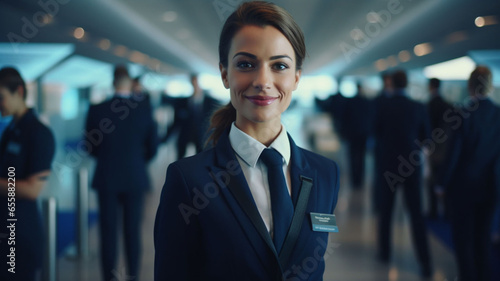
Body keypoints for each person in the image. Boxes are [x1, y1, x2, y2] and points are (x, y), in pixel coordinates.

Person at [154, 2, 340, 280]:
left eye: (279, 66)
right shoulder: (188, 180)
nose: (263, 81)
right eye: (245, 64)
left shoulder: (325, 173)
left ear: (297, 77)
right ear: (225, 74)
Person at [85, 65, 158, 281]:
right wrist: (136, 161)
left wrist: (108, 159)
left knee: (107, 231)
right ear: (129, 83)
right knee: (132, 231)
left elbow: (90, 147)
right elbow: (153, 147)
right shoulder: (144, 109)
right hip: (135, 178)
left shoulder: (97, 109)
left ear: (113, 83)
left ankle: (109, 277)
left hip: (106, 177)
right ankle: (133, 275)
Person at [438, 66, 500, 281]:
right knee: (483, 240)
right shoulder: (498, 113)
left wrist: (441, 184)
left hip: (463, 189)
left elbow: (453, 155)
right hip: (491, 188)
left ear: (470, 85)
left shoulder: (463, 114)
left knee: (463, 241)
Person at [373, 70, 432, 277]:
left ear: (391, 83)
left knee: (386, 211)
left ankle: (384, 252)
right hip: (412, 166)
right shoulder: (418, 107)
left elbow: (376, 132)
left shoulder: (382, 106)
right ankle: (425, 261)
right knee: (416, 214)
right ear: (407, 84)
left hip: (388, 165)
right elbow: (427, 138)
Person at [0, 67, 56, 280]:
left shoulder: (39, 133)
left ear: (19, 92)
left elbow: (32, 190)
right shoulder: (10, 130)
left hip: (20, 231)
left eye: (1, 97)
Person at [160, 74, 221, 159]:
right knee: (180, 160)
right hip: (185, 136)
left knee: (201, 161)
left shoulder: (211, 102)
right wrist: (164, 139)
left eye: (197, 82)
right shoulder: (183, 102)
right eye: (193, 82)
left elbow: (217, 122)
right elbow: (176, 123)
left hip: (202, 138)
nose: (195, 85)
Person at [426, 78, 452, 219]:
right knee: (445, 177)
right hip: (446, 147)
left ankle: (433, 210)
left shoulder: (430, 105)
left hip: (433, 146)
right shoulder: (447, 105)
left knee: (432, 180)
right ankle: (447, 211)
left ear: (430, 87)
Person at [343, 82, 373, 189]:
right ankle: (360, 180)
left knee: (352, 157)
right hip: (363, 134)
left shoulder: (351, 102)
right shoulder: (366, 102)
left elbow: (345, 118)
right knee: (361, 157)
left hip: (352, 134)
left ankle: (354, 180)